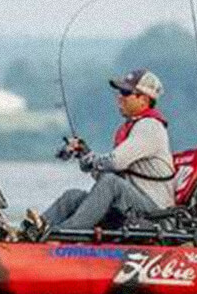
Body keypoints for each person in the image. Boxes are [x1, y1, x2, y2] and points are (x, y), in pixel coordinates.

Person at [26, 68, 176, 236]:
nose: (119, 97)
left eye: (126, 92)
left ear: (144, 100)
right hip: (130, 205)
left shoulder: (149, 126)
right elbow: (108, 176)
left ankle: (62, 234)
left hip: (156, 214)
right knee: (72, 197)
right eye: (119, 92)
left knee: (110, 182)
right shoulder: (132, 128)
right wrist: (85, 154)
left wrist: (92, 160)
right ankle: (33, 230)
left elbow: (115, 163)